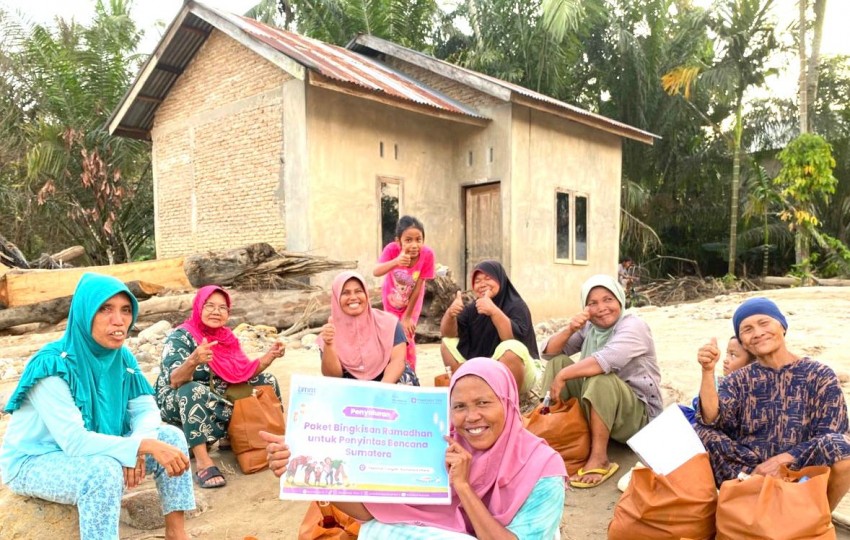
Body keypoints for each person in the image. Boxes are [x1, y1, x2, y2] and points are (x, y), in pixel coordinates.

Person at [261, 358, 567, 539]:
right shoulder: (439, 445)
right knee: (378, 531)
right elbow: (370, 513)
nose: (471, 417)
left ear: (509, 404)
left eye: (484, 403)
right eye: (459, 406)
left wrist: (463, 486)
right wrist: (306, 471)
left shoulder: (542, 469)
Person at [0, 273, 195, 539]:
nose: (119, 320)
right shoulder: (51, 365)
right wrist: (141, 446)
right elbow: (74, 441)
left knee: (171, 437)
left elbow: (146, 410)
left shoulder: (122, 357)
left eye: (126, 310)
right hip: (34, 462)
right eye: (105, 309)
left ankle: (177, 534)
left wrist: (139, 442)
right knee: (102, 471)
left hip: (97, 448)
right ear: (84, 313)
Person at [694, 297, 850, 510]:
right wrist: (707, 371)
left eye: (764, 323)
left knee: (842, 447)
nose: (757, 333)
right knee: (700, 432)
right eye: (747, 329)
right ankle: (746, 504)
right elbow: (713, 419)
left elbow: (833, 433)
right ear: (742, 339)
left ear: (782, 327)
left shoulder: (819, 375)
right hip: (751, 472)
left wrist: (785, 459)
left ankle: (818, 517)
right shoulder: (738, 379)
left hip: (801, 470)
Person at [155, 285, 285, 488]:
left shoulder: (226, 338)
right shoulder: (180, 337)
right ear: (198, 307)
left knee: (267, 381)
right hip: (179, 397)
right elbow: (175, 380)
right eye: (210, 306)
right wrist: (193, 361)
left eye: (222, 308)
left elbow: (241, 372)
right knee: (192, 389)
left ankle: (263, 442)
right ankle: (203, 460)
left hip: (218, 393)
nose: (216, 311)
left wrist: (268, 358)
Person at [540, 274, 662, 489]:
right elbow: (550, 353)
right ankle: (555, 435)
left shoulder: (634, 326)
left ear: (619, 300)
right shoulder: (591, 328)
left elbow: (606, 360)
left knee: (599, 377)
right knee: (558, 363)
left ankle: (599, 458)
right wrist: (571, 329)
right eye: (592, 303)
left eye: (608, 299)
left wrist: (563, 376)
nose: (602, 308)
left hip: (635, 419)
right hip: (600, 407)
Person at [440, 260, 539, 395]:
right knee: (447, 343)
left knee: (511, 348)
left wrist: (493, 311)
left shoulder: (516, 305)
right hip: (486, 371)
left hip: (523, 371)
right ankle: (467, 391)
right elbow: (448, 333)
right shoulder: (472, 308)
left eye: (488, 278)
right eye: (478, 281)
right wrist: (450, 314)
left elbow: (511, 339)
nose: (483, 284)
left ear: (500, 279)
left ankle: (509, 400)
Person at [318, 271, 417, 385]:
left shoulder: (390, 323)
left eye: (358, 291)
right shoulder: (329, 332)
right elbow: (333, 376)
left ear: (366, 294)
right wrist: (329, 345)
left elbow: (398, 361)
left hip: (388, 381)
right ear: (336, 298)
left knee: (405, 381)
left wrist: (379, 391)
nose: (353, 297)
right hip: (351, 387)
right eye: (345, 293)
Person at [373, 215, 436, 372]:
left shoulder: (427, 255)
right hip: (391, 300)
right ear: (398, 241)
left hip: (412, 303)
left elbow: (419, 286)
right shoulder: (392, 250)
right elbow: (376, 271)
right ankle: (391, 370)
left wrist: (408, 317)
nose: (414, 245)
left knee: (408, 336)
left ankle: (409, 373)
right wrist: (396, 261)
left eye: (418, 239)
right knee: (393, 335)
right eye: (408, 240)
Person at [679, 336, 755, 424]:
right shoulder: (714, 382)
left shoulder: (751, 394)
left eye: (733, 355)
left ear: (751, 364)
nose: (726, 360)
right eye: (727, 353)